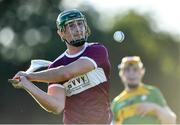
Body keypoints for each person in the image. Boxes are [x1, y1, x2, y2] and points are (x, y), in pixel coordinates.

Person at [12, 9, 112, 124]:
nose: (78, 29)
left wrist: (29, 76)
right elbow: (56, 106)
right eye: (71, 26)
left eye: (80, 24)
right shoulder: (56, 66)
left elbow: (66, 73)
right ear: (61, 32)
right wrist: (27, 85)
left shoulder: (97, 50)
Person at [111, 56, 176, 124]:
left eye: (135, 69)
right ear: (121, 74)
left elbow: (171, 120)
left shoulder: (153, 92)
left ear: (142, 72)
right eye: (127, 70)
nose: (131, 73)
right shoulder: (116, 103)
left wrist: (155, 108)